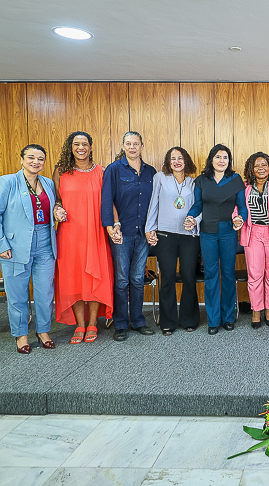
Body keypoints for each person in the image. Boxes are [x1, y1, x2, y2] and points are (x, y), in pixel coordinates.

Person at [0, 144, 58, 353]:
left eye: (40, 159)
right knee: (17, 294)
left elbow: (50, 209)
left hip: (45, 243)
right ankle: (21, 335)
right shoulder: (7, 182)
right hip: (15, 246)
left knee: (45, 292)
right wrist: (0, 244)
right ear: (21, 159)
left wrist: (58, 212)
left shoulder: (48, 183)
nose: (36, 162)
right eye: (31, 157)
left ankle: (43, 331)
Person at [52, 131, 113, 344]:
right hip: (70, 234)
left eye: (84, 144)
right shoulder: (61, 172)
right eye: (76, 144)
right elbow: (56, 200)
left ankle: (93, 322)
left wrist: (113, 226)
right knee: (73, 279)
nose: (81, 148)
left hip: (96, 232)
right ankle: (80, 324)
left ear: (90, 147)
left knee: (94, 276)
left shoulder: (101, 171)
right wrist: (56, 209)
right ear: (70, 147)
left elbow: (108, 202)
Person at [185, 144, 246, 334]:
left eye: (225, 158)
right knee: (211, 275)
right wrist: (190, 217)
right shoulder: (201, 180)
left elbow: (242, 208)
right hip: (208, 233)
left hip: (228, 232)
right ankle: (213, 320)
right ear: (212, 159)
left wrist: (240, 218)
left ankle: (228, 317)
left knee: (228, 275)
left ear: (229, 161)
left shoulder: (236, 180)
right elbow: (197, 206)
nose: (222, 161)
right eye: (218, 157)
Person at [101, 131, 156, 341]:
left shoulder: (151, 172)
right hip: (121, 234)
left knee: (136, 278)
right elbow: (107, 200)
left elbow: (155, 204)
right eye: (128, 144)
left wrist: (154, 228)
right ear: (123, 146)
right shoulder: (114, 170)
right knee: (122, 280)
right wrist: (110, 227)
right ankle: (121, 323)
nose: (132, 147)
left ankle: (138, 321)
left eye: (136, 144)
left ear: (142, 146)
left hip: (143, 233)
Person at [145, 146, 200, 335]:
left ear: (186, 161)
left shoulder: (194, 182)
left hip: (189, 237)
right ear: (168, 162)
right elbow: (153, 203)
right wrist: (149, 229)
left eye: (180, 158)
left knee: (188, 277)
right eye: (173, 158)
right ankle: (167, 321)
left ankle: (189, 319)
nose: (177, 161)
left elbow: (200, 207)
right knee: (167, 278)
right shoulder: (160, 178)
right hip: (165, 235)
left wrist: (196, 221)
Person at [240, 152, 269, 329]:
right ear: (251, 168)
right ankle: (256, 310)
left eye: (264, 165)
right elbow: (238, 207)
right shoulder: (244, 187)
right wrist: (236, 217)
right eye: (257, 165)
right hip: (252, 233)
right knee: (255, 275)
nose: (261, 168)